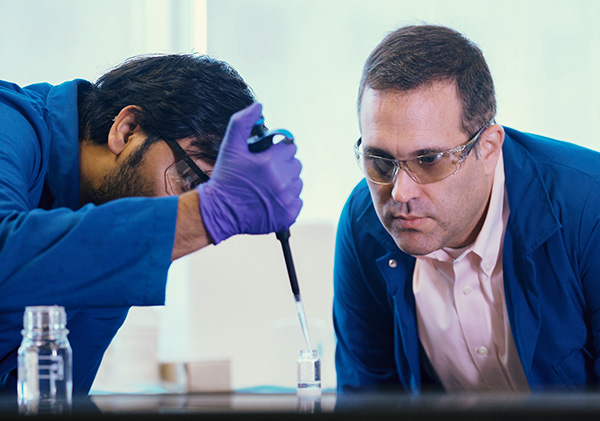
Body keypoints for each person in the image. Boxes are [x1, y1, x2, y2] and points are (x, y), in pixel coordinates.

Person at [0, 54, 302, 394]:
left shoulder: (111, 239)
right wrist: (207, 213)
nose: (182, 209)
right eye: (189, 181)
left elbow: (56, 399)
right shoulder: (8, 122)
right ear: (126, 130)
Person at [333, 24, 600, 394]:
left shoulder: (588, 208)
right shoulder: (364, 225)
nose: (399, 191)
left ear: (488, 149)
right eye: (379, 160)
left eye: (429, 160)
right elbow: (367, 399)